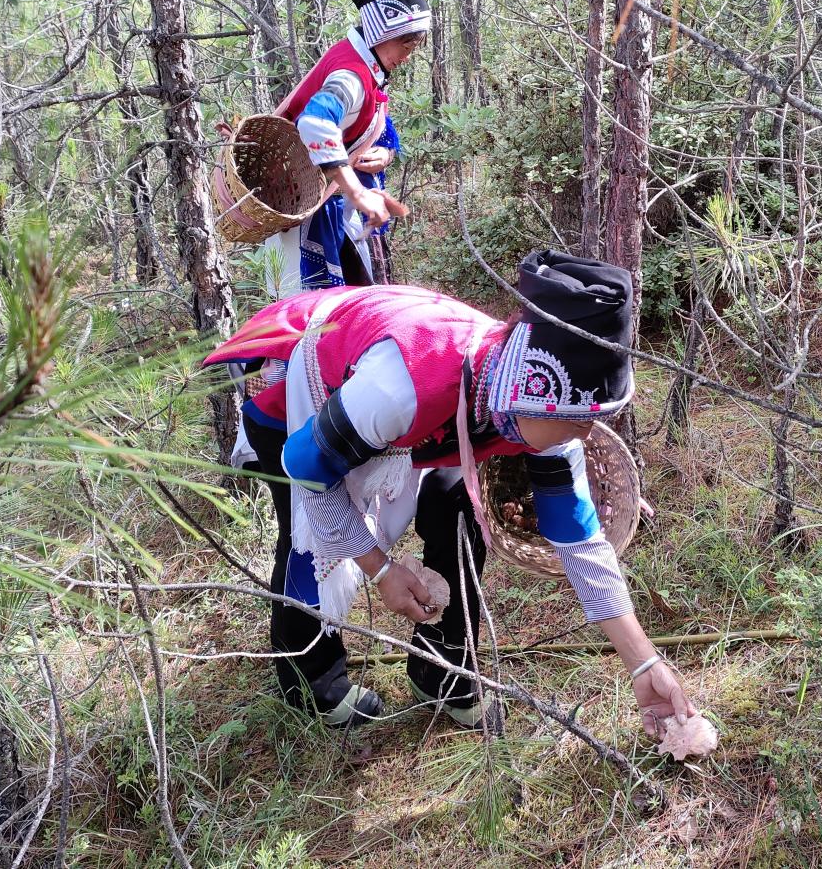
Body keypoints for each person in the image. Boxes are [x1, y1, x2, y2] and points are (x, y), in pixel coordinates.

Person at [205, 250, 699, 735]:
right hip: (303, 389)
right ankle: (312, 684)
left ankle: (442, 669)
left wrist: (643, 664)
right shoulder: (402, 387)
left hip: (417, 424)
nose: (587, 435)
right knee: (306, 542)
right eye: (578, 421)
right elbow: (309, 472)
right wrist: (380, 569)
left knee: (461, 501)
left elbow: (580, 540)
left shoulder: (529, 403)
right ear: (532, 396)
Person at [267, 0, 428, 294]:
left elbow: (371, 123)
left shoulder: (366, 68)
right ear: (383, 33)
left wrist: (385, 152)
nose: (407, 56)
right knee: (304, 324)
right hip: (306, 214)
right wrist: (356, 191)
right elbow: (315, 123)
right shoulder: (351, 76)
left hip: (327, 210)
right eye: (406, 45)